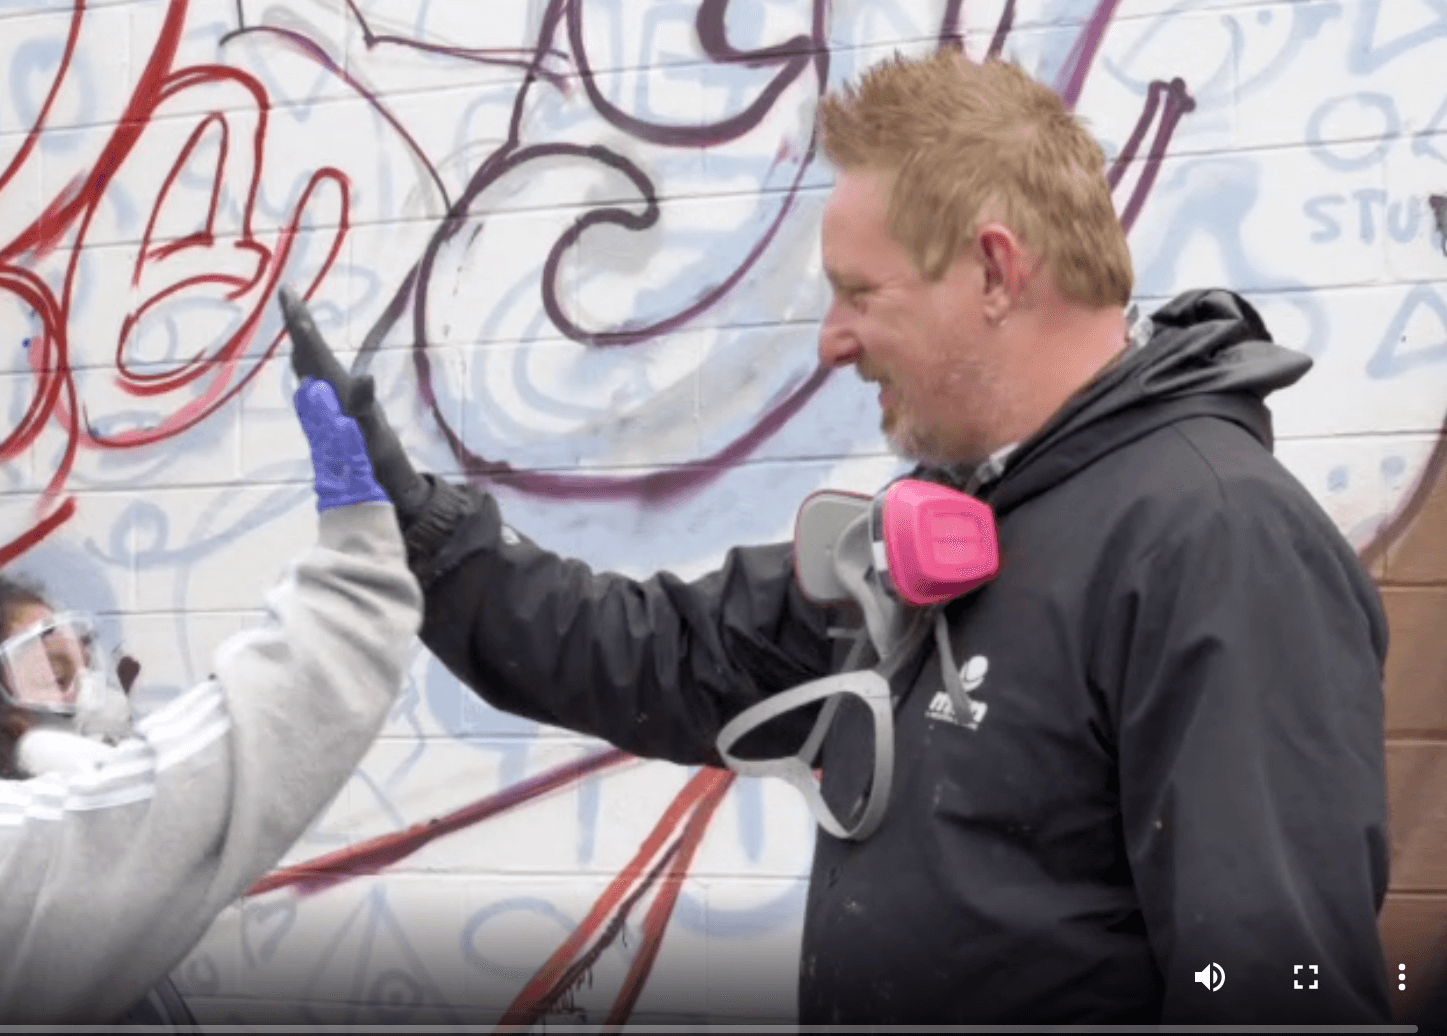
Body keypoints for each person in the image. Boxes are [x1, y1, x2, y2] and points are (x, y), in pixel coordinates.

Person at [275, 46, 1392, 1025]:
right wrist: (413, 522)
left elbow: (1277, 980)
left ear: (996, 271)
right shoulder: (944, 528)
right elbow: (649, 654)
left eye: (860, 292)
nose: (829, 341)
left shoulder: (1215, 543)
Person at [0, 379, 422, 1024]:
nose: (94, 695)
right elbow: (180, 792)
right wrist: (353, 570)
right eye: (55, 668)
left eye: (86, 666)